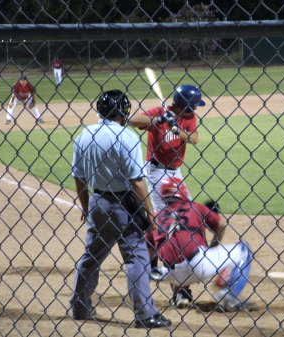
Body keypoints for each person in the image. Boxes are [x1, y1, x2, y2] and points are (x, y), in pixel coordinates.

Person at [69, 89, 171, 329]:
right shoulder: (126, 137)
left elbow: (79, 177)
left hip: (98, 201)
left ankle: (80, 306)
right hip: (125, 203)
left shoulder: (85, 135)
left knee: (91, 257)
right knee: (137, 257)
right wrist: (149, 210)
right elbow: (136, 180)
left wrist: (86, 206)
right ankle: (145, 314)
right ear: (122, 113)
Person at [146, 176, 257, 312]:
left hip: (172, 275)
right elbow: (221, 224)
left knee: (171, 249)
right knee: (244, 249)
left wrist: (151, 269)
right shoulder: (195, 207)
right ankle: (228, 295)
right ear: (183, 192)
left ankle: (180, 294)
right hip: (200, 264)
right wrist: (214, 245)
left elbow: (148, 251)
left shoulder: (156, 217)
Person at [129, 84, 205, 213]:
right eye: (193, 105)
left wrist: (176, 130)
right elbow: (131, 120)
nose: (196, 108)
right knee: (163, 213)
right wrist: (158, 120)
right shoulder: (160, 112)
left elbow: (194, 139)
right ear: (185, 105)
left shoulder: (189, 117)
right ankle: (162, 233)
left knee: (188, 210)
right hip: (156, 170)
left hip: (176, 171)